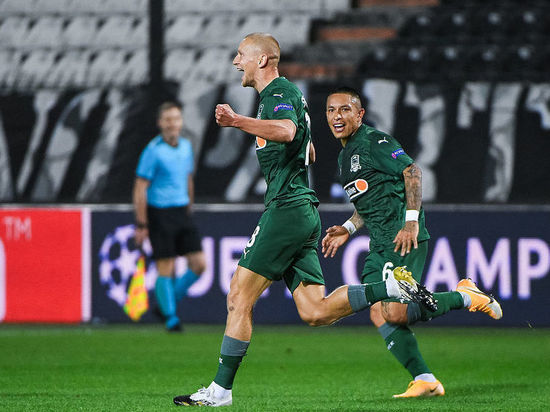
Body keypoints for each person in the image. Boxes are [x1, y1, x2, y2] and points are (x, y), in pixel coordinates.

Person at [173, 33, 435, 407]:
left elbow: (287, 131)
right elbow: (306, 147)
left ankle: (220, 391)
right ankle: (389, 288)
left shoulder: (276, 93)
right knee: (316, 311)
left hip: (286, 209)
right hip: (303, 212)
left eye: (241, 54)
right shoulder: (289, 95)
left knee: (238, 296)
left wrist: (236, 121)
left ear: (262, 60)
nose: (236, 61)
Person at [321, 87, 503, 398]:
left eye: (345, 109)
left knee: (394, 313)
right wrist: (349, 228)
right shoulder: (344, 157)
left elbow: (412, 171)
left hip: (402, 238)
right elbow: (370, 202)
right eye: (331, 110)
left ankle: (465, 297)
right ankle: (425, 380)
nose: (337, 116)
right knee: (378, 312)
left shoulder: (374, 142)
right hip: (378, 244)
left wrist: (411, 222)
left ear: (360, 114)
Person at [133, 101, 206, 332]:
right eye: (167, 119)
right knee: (166, 265)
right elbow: (140, 187)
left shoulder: (186, 147)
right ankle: (171, 318)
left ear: (181, 122)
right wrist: (141, 223)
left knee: (199, 264)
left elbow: (188, 178)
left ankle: (167, 304)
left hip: (181, 211)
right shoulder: (153, 151)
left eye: (175, 119)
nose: (172, 123)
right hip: (159, 213)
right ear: (160, 123)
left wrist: (189, 206)